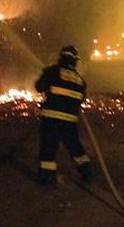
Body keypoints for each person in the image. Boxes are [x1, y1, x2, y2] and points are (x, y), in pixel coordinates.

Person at [35, 45, 92, 184]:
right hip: (70, 120)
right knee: (75, 146)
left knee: (48, 147)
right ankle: (87, 173)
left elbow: (39, 87)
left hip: (51, 117)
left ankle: (47, 176)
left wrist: (47, 80)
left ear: (61, 57)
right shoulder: (80, 80)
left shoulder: (51, 71)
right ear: (74, 61)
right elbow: (81, 99)